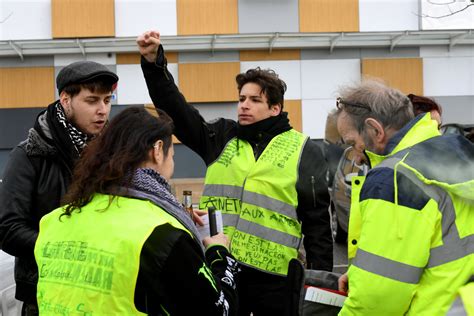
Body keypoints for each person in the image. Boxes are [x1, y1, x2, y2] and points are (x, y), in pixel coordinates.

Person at [137, 30, 333, 315]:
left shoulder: (304, 149)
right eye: (242, 98)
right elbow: (176, 110)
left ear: (275, 108)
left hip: (275, 281)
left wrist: (319, 285)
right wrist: (155, 64)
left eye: (254, 100)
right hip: (221, 267)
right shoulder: (221, 136)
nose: (243, 104)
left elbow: (317, 224)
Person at [34, 107, 239, 315]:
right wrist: (219, 254)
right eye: (173, 155)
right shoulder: (162, 235)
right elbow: (217, 310)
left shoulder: (55, 221)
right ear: (158, 150)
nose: (172, 163)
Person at [335, 80, 474, 315]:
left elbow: (378, 299)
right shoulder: (455, 152)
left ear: (375, 130)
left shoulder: (394, 178)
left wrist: (371, 281)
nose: (356, 157)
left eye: (352, 143)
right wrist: (362, 273)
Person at [0, 61, 118, 315]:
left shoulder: (113, 154)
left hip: (104, 292)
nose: (102, 110)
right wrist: (67, 250)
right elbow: (7, 228)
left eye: (107, 100)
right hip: (45, 296)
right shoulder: (30, 154)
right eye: (92, 100)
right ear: (65, 99)